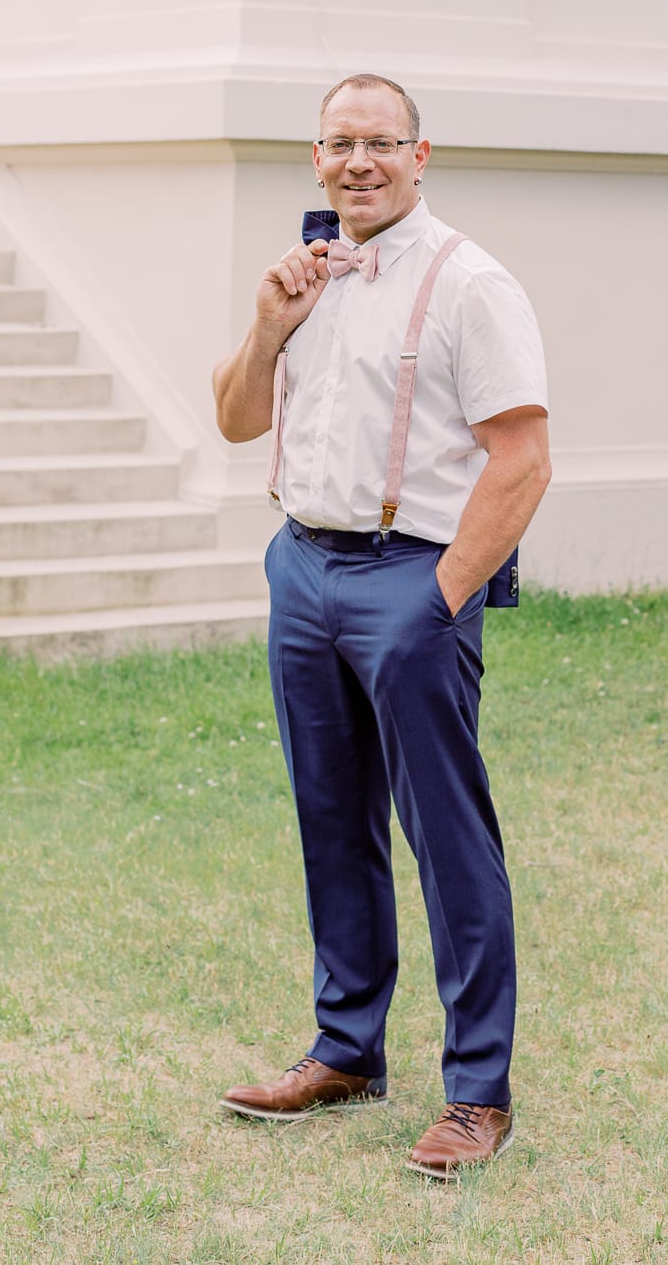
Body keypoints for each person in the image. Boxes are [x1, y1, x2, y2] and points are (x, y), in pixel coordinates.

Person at [211, 72, 551, 1178]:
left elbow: (523, 458)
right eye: (339, 143)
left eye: (381, 144)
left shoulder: (473, 284)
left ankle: (477, 1094)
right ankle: (346, 1048)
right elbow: (233, 419)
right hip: (302, 566)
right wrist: (269, 327)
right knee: (330, 820)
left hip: (411, 577)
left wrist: (440, 597)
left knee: (448, 837)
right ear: (317, 158)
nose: (359, 162)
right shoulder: (303, 274)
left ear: (421, 155)